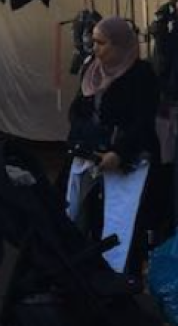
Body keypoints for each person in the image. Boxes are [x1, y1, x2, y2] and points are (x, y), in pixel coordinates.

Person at [65, 16, 160, 275]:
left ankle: (120, 276)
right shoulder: (92, 71)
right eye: (93, 42)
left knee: (123, 221)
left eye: (101, 43)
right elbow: (77, 110)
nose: (95, 48)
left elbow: (142, 121)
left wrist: (119, 151)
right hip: (93, 156)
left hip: (129, 161)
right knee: (82, 213)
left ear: (119, 45)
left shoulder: (141, 74)